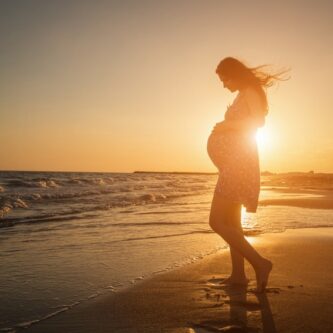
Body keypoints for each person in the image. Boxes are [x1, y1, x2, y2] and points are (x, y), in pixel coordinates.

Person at [207, 57, 290, 292]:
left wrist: (226, 126)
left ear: (235, 74)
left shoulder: (251, 91)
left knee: (216, 221)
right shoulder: (242, 93)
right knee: (232, 222)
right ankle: (238, 276)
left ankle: (260, 264)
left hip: (239, 164)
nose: (223, 84)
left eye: (224, 78)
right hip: (234, 163)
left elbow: (259, 122)